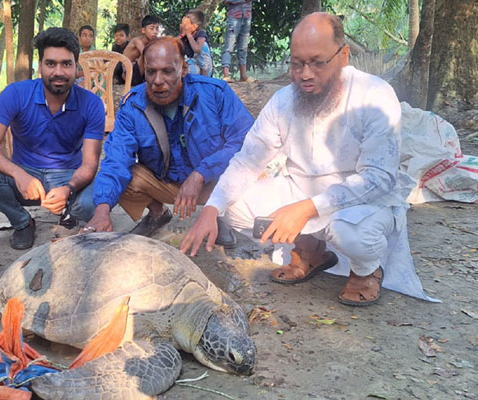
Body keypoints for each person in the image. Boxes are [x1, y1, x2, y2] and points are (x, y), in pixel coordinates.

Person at [181, 13, 437, 306]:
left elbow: (378, 179)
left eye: (317, 62)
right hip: (300, 189)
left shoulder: (374, 95)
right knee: (234, 205)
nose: (304, 74)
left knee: (351, 233)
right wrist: (212, 208)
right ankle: (310, 249)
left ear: (343, 56)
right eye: (297, 63)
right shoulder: (284, 100)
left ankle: (367, 270)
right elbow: (248, 159)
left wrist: (307, 209)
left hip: (363, 203)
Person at [84, 37, 254, 242]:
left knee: (242, 173)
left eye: (167, 71)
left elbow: (246, 141)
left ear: (183, 69)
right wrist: (102, 210)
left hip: (211, 185)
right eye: (151, 71)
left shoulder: (215, 93)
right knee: (125, 175)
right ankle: (158, 213)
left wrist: (201, 174)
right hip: (168, 185)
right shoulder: (133, 106)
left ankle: (217, 214)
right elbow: (116, 158)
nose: (157, 81)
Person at [0, 27, 105, 250]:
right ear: (40, 66)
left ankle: (69, 216)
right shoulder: (16, 93)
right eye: (51, 64)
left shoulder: (91, 104)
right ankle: (23, 222)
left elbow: (90, 163)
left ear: (76, 66)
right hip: (24, 175)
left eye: (66, 64)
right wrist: (18, 174)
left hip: (67, 176)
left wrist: (69, 188)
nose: (58, 72)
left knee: (98, 198)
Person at [123, 15, 161, 86]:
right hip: (128, 73)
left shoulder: (152, 42)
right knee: (146, 54)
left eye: (157, 29)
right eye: (152, 28)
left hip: (139, 73)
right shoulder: (137, 41)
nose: (155, 32)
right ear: (143, 30)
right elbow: (146, 54)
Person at [221, 0, 252, 82]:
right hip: (234, 16)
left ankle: (243, 76)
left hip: (247, 15)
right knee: (229, 46)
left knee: (243, 47)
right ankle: (226, 76)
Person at [179, 9, 214, 77]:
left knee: (204, 45)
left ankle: (204, 78)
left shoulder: (201, 33)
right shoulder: (184, 36)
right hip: (193, 66)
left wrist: (189, 34)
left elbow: (197, 49)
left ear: (195, 25)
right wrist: (182, 34)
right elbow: (172, 45)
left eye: (188, 19)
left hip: (204, 68)